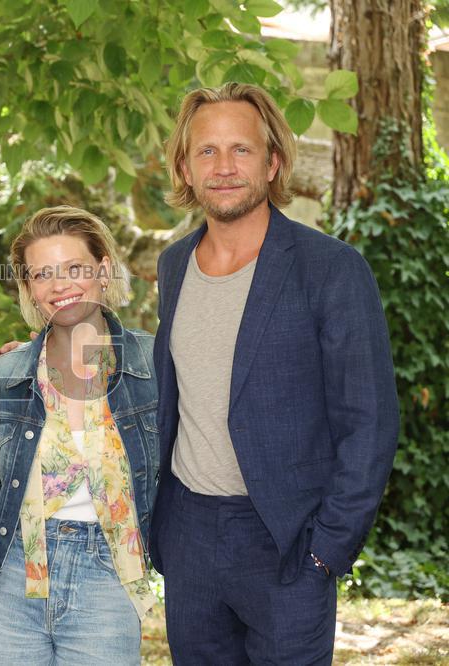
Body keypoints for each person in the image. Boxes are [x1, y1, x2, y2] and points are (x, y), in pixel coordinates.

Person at [148, 82, 399, 663]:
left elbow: (370, 422)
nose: (225, 166)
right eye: (206, 151)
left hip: (288, 542)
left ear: (273, 162)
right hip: (188, 536)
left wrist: (327, 550)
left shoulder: (331, 269)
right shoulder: (174, 264)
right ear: (185, 168)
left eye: (242, 149)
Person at [0, 206, 159, 665]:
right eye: (42, 274)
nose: (59, 285)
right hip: (10, 575)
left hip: (108, 576)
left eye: (73, 268)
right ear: (29, 289)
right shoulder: (5, 375)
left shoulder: (155, 364)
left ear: (104, 269)